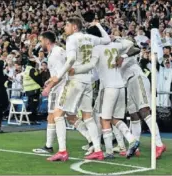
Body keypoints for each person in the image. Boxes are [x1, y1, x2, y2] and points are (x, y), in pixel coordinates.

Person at [46, 17, 111, 161]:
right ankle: (98, 150)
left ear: (74, 27)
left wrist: (58, 76)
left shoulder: (72, 39)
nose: (65, 28)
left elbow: (71, 59)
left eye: (67, 25)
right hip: (88, 81)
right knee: (87, 117)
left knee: (58, 113)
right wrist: (99, 26)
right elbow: (107, 39)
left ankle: (62, 151)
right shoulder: (90, 37)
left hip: (75, 80)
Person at [70, 36, 141, 159]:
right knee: (114, 119)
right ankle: (130, 140)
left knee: (104, 119)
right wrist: (123, 56)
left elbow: (91, 65)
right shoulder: (115, 45)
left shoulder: (97, 49)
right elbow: (135, 47)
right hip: (121, 87)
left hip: (110, 88)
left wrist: (74, 70)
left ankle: (110, 152)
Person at [23, 57, 43, 124]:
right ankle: (32, 120)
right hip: (33, 90)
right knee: (34, 105)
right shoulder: (32, 70)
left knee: (30, 105)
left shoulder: (27, 69)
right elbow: (38, 79)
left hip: (28, 90)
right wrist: (43, 86)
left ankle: (27, 119)